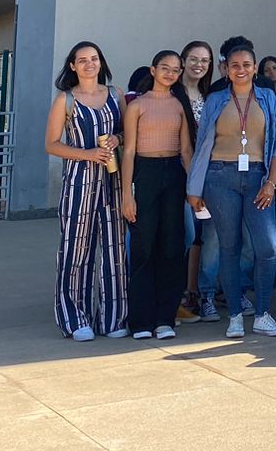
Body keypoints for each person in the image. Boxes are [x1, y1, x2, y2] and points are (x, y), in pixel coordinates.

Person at [185, 37, 276, 339]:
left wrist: (271, 182)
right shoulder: (216, 99)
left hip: (258, 178)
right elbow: (203, 146)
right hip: (220, 177)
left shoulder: (267, 98)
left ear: (255, 68)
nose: (240, 69)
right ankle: (233, 316)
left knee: (267, 246)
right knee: (228, 247)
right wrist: (195, 187)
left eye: (246, 64)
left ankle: (262, 315)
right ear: (226, 69)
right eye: (234, 65)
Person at [46, 40, 128, 340]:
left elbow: (127, 130)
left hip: (113, 181)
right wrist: (88, 154)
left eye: (94, 58)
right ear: (73, 66)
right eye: (82, 60)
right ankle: (74, 317)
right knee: (76, 249)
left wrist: (118, 138)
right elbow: (51, 144)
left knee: (114, 249)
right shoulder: (65, 100)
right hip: (79, 182)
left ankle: (113, 318)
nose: (89, 64)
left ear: (100, 62)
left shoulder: (115, 94)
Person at [121, 50, 194, 339]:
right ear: (153, 70)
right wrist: (127, 194)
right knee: (143, 245)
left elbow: (186, 150)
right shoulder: (137, 105)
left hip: (174, 174)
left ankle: (165, 318)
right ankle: (141, 320)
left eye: (176, 70)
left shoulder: (179, 104)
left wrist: (194, 189)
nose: (170, 73)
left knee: (172, 246)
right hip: (145, 173)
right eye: (165, 68)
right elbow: (128, 151)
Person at [176, 40, 216, 322]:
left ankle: (192, 294)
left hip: (206, 175)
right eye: (193, 59)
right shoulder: (172, 93)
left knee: (199, 235)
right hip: (178, 174)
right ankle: (173, 295)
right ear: (183, 60)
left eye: (204, 60)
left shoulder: (209, 96)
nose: (198, 64)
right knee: (183, 235)